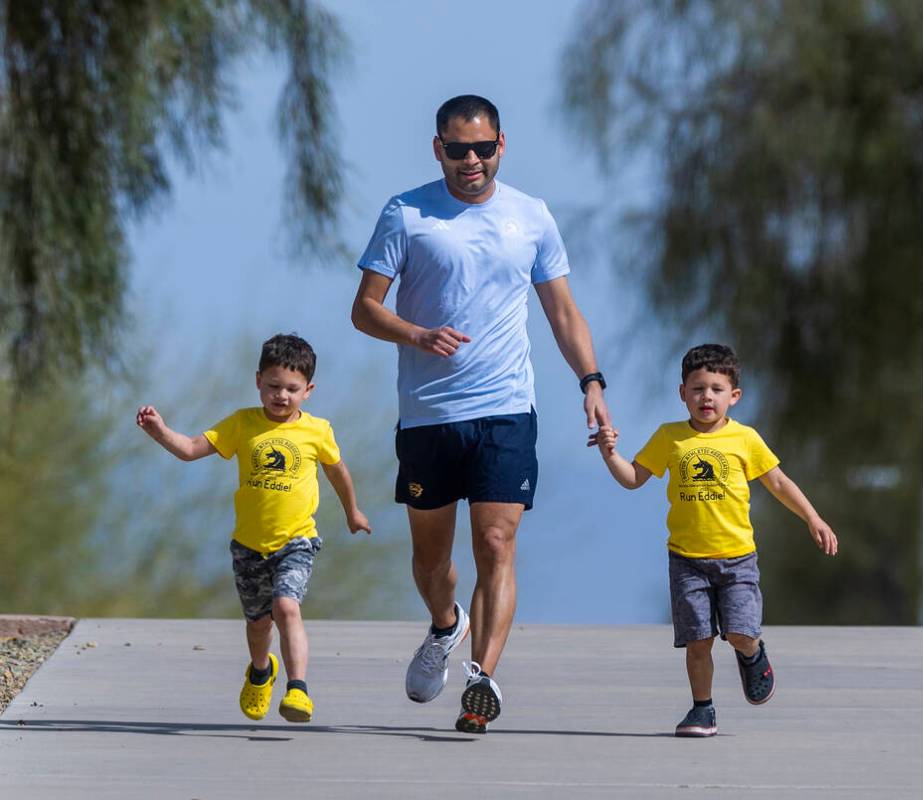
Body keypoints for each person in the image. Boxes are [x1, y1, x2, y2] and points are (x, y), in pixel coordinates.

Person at [350, 94, 610, 734]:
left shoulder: (531, 216)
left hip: (506, 408)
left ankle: (481, 681)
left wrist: (592, 382)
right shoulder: (406, 213)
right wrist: (415, 335)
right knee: (430, 561)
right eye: (458, 149)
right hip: (429, 414)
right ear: (437, 148)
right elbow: (364, 309)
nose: (472, 160)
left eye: (484, 148)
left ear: (501, 146)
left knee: (496, 542)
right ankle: (446, 622)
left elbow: (563, 313)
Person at [594, 343, 838, 737]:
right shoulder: (669, 437)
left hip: (737, 559)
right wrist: (610, 454)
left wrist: (813, 518)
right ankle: (702, 710)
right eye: (697, 389)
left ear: (734, 396)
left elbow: (777, 481)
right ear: (682, 393)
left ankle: (752, 653)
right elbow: (633, 479)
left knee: (741, 632)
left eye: (716, 389)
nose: (706, 396)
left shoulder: (745, 439)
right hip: (687, 560)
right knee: (698, 642)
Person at [135, 333, 371, 723]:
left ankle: (298, 690)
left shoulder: (317, 431)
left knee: (286, 608)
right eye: (273, 386)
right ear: (258, 381)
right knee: (258, 625)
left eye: (292, 389)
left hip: (297, 541)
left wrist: (353, 511)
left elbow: (337, 471)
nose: (281, 395)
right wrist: (159, 430)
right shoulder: (242, 424)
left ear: (308, 390)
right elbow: (192, 449)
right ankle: (261, 671)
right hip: (248, 546)